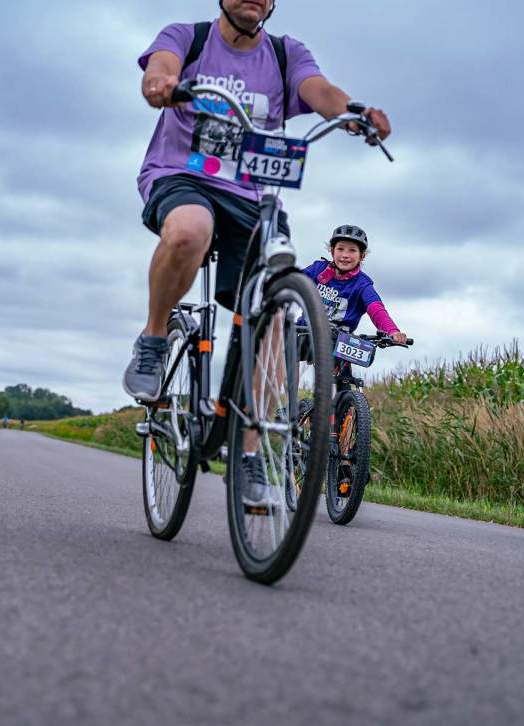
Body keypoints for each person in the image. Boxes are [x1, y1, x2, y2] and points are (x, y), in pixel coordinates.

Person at [124, 0, 392, 503]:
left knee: (275, 318)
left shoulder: (286, 55)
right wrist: (160, 84)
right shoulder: (190, 36)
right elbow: (160, 67)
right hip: (184, 176)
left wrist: (352, 112)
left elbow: (321, 91)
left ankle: (246, 454)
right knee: (188, 230)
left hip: (252, 197)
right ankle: (155, 337)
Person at [302, 225, 408, 343]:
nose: (345, 255)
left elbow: (376, 309)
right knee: (281, 342)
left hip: (338, 340)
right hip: (304, 331)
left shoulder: (362, 284)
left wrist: (392, 331)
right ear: (332, 251)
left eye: (352, 250)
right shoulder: (317, 269)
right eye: (340, 249)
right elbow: (293, 282)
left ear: (361, 256)